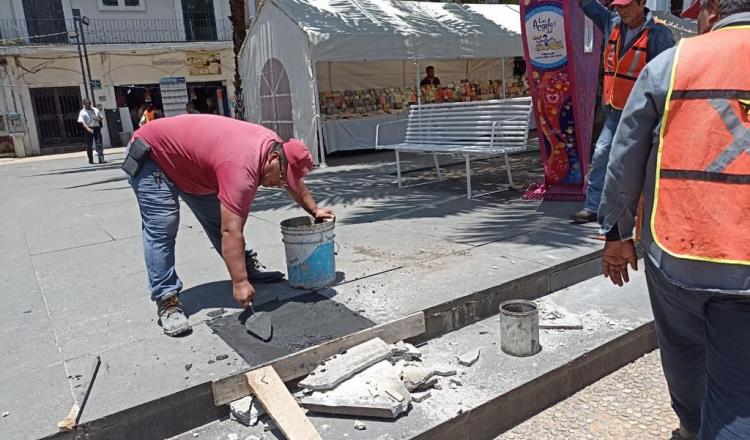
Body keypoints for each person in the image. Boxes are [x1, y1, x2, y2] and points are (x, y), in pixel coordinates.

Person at [598, 0, 750, 438]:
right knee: (739, 386)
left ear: (713, 12)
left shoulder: (674, 62)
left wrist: (616, 234)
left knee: (683, 352)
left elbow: (625, 156)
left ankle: (689, 426)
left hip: (678, 250)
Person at [124, 114, 335, 337]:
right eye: (281, 178)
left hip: (193, 167)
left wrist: (314, 211)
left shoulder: (275, 149)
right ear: (273, 158)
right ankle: (166, 299)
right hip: (154, 158)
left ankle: (246, 266)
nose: (280, 185)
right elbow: (231, 231)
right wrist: (240, 283)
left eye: (285, 181)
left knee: (217, 220)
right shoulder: (241, 168)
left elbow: (293, 182)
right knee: (163, 225)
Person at [571, 0, 674, 223]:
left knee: (638, 162)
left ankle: (641, 211)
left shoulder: (659, 35)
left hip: (643, 113)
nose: (622, 11)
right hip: (615, 110)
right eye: (618, 6)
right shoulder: (611, 22)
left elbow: (665, 77)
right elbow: (587, 4)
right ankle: (593, 206)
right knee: (601, 153)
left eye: (626, 6)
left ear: (641, 3)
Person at [77, 98, 105, 164]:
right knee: (89, 145)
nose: (88, 105)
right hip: (88, 129)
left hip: (97, 128)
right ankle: (91, 159)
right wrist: (88, 129)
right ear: (84, 105)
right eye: (87, 104)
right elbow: (83, 123)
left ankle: (101, 159)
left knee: (99, 143)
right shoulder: (82, 112)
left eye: (89, 104)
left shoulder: (95, 110)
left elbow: (101, 118)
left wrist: (97, 118)